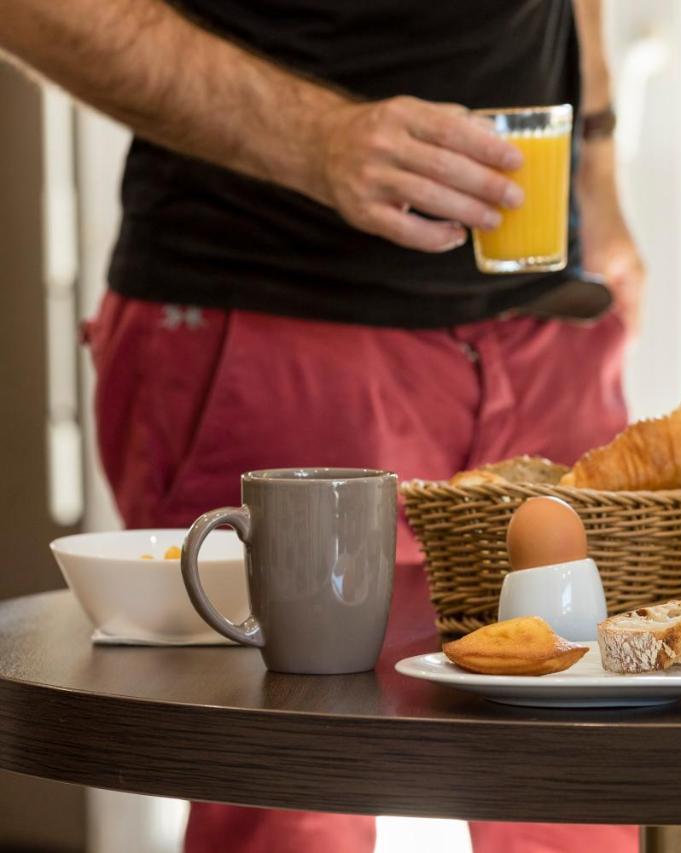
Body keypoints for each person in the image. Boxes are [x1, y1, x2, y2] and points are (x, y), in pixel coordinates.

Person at [0, 1, 643, 851]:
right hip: (267, 310)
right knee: (292, 806)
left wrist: (594, 173)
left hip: (545, 317)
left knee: (579, 788)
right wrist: (313, 136)